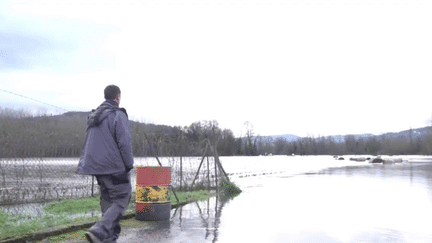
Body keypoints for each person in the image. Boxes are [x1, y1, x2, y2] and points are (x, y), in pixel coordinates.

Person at [76, 85, 134, 243]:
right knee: (122, 197)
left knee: (108, 203)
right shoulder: (117, 114)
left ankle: (106, 239)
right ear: (118, 96)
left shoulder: (94, 117)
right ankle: (99, 231)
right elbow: (124, 143)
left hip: (97, 168)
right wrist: (128, 164)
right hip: (114, 167)